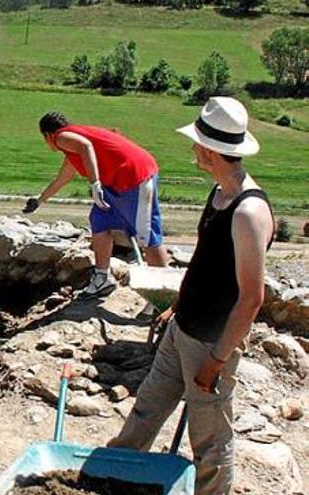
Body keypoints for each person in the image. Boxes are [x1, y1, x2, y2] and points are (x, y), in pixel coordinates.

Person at [108, 97, 274, 495]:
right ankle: (113, 475)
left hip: (210, 343)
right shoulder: (219, 194)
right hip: (183, 329)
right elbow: (205, 263)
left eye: (198, 142)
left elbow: (252, 297)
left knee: (211, 442)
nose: (193, 149)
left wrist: (216, 362)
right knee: (146, 409)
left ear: (212, 150)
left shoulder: (249, 211)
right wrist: (178, 307)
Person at [24, 112, 169, 298]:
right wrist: (39, 200)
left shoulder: (62, 137)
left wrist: (95, 184)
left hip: (133, 178)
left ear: (47, 135)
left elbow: (86, 147)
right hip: (116, 183)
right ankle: (102, 278)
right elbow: (64, 177)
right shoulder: (72, 148)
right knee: (99, 221)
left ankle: (164, 294)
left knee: (147, 235)